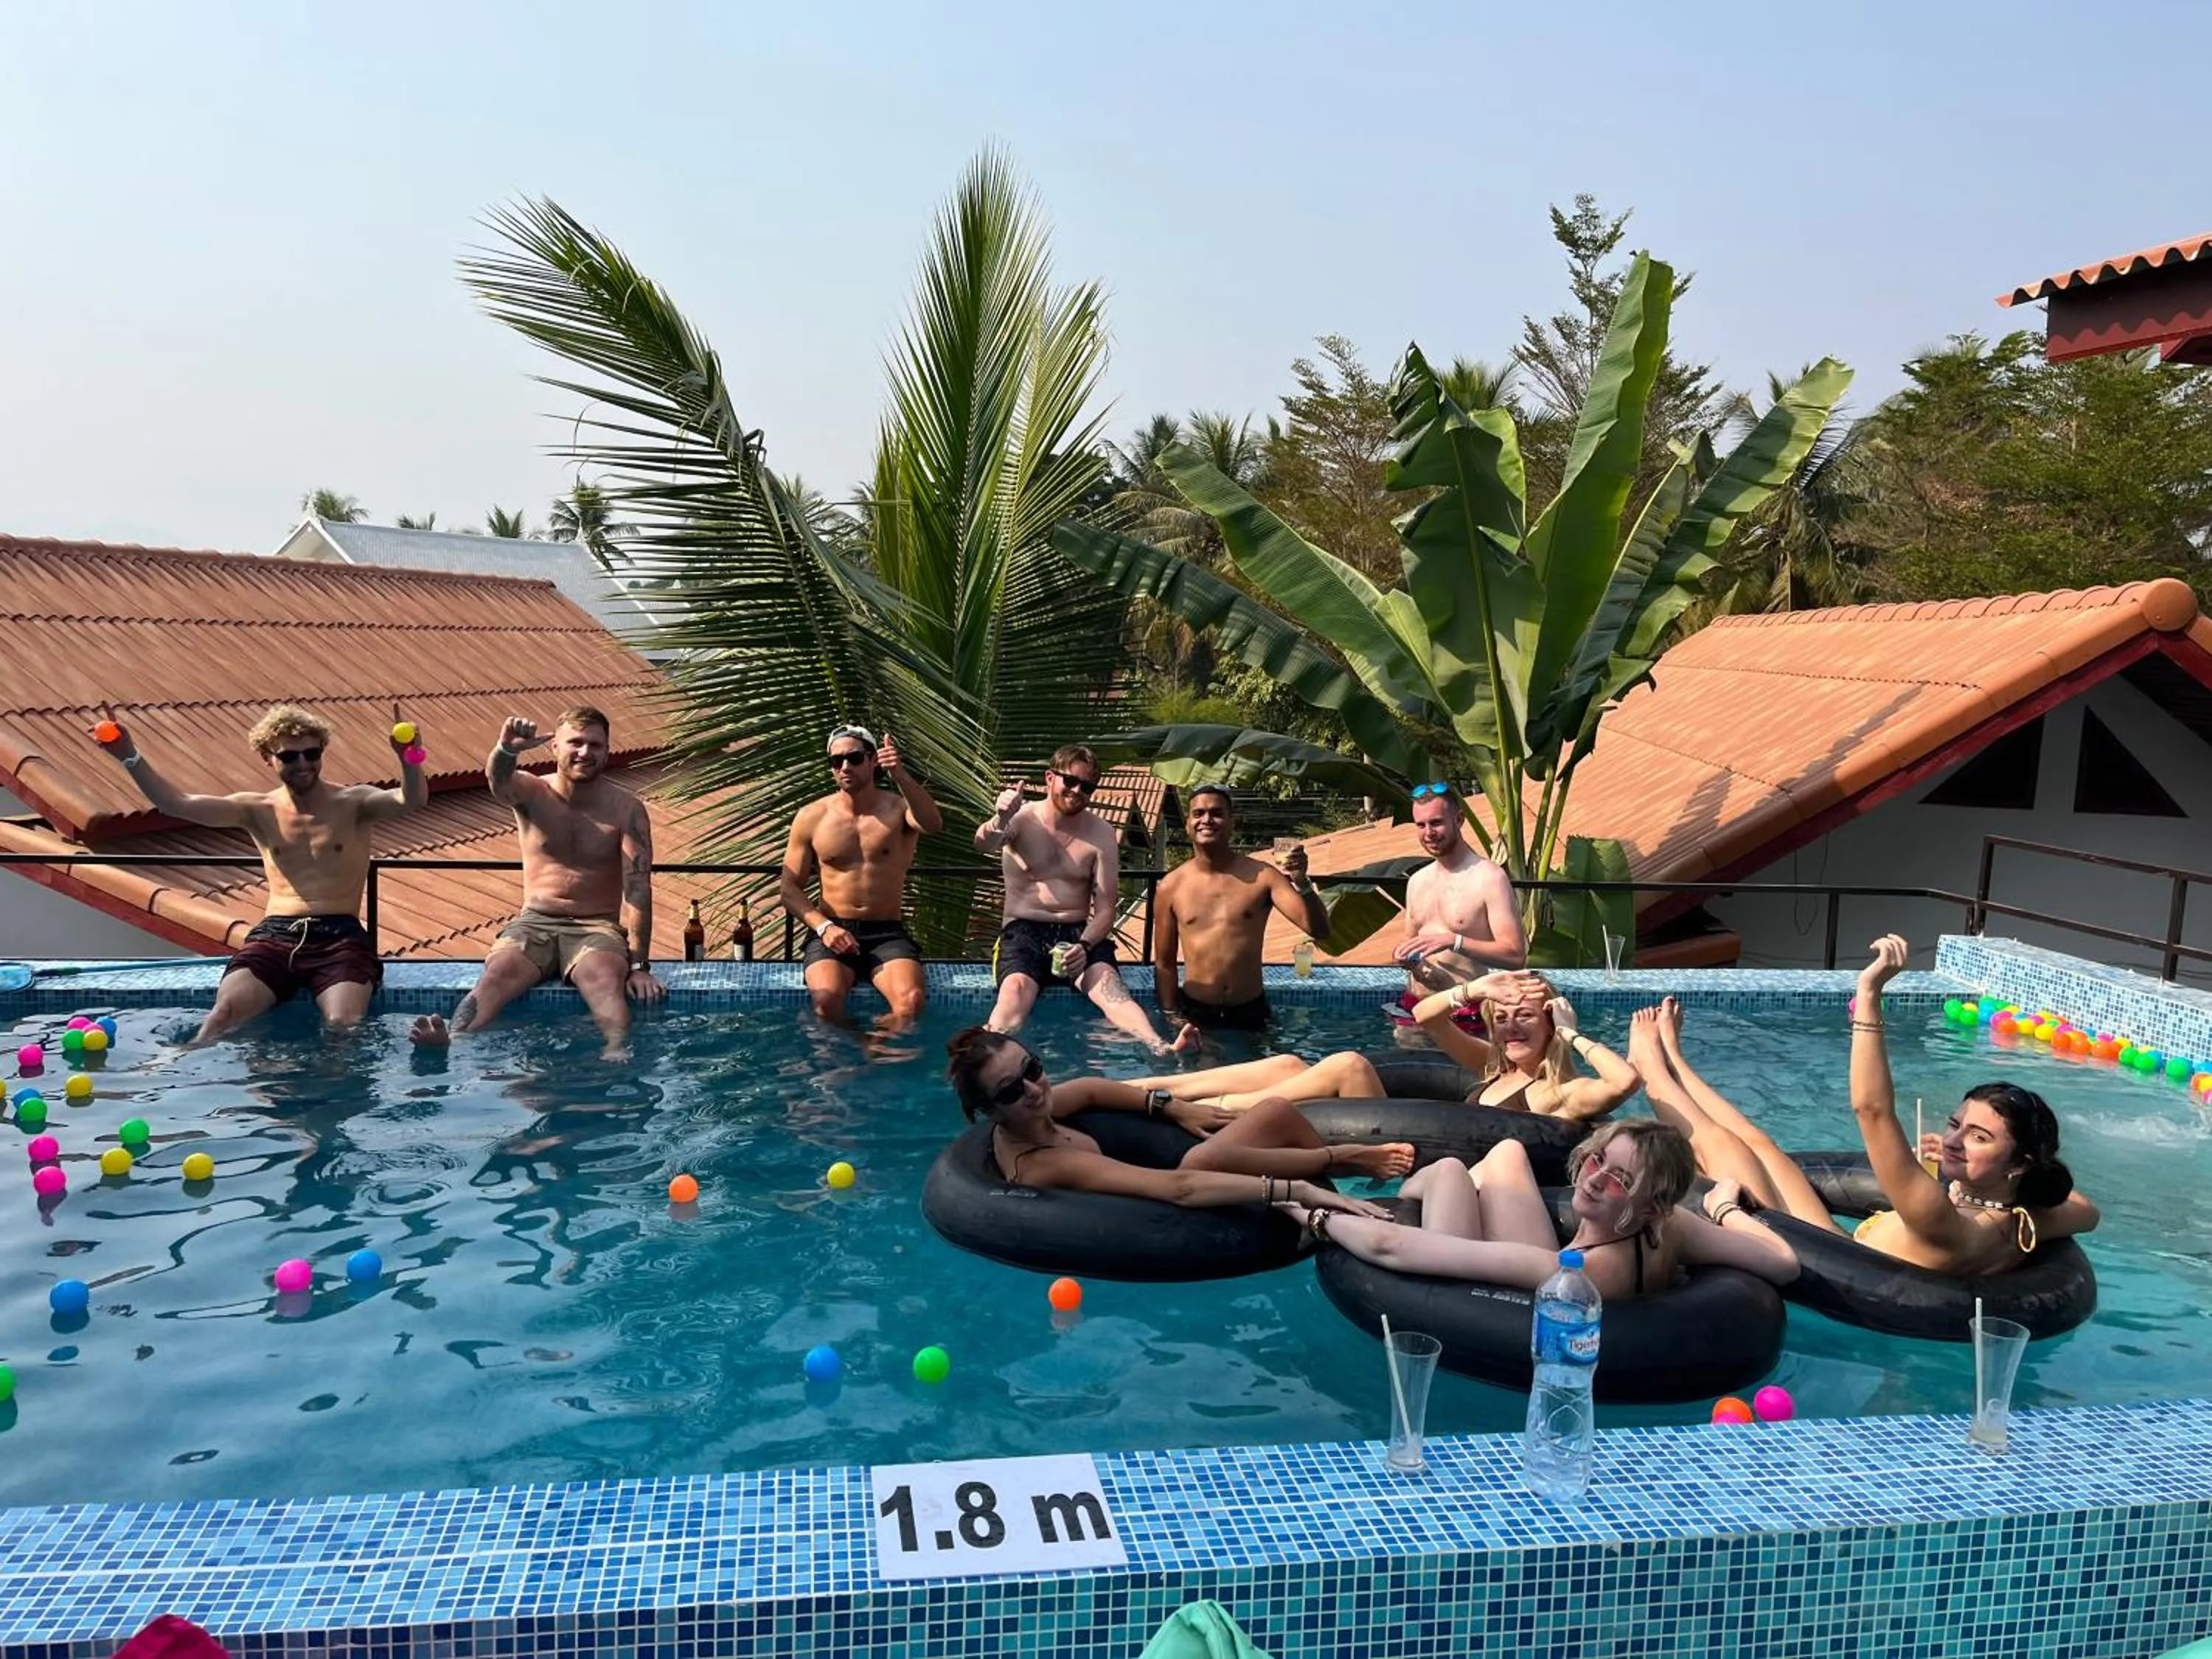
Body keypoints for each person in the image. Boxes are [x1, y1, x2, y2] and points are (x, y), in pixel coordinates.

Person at [1632, 938, 2100, 1276]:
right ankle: (1677, 1060)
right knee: (1760, 1142)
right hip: (1842, 1240)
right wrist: (1971, 1170)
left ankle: (1651, 1067)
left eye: (1979, 1137)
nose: (1954, 1140)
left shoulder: (1942, 1219)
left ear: (2020, 1162)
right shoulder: (2028, 1216)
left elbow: (1872, 1110)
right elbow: (2086, 1209)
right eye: (1957, 1126)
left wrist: (1870, 994)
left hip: (1828, 1257)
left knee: (1720, 1145)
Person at [90, 702, 426, 1043]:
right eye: (290, 757)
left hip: (341, 937)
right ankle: (170, 1071)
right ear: (268, 758)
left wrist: (409, 756)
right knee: (221, 1017)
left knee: (344, 1025)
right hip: (276, 936)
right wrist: (128, 755)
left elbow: (410, 801)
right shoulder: (257, 809)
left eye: (312, 753)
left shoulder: (355, 802)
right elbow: (176, 804)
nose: (304, 764)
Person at [1284, 1120, 1798, 1299]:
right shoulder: (1673, 1227)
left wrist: (1310, 1211)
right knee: (1507, 1152)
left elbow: (1387, 1243)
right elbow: (1784, 1264)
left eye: (1618, 1179)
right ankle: (1432, 1181)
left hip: (1486, 1295)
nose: (1593, 1178)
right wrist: (1726, 1205)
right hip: (1588, 1259)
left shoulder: (1567, 1273)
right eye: (1597, 1160)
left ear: (1651, 1203)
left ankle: (1420, 1184)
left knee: (1448, 1174)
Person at [944, 1026, 1413, 1216]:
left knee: (1279, 1088)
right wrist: (1300, 1188)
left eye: (1033, 1067)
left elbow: (1088, 1086)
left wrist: (1169, 1105)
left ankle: (1339, 1178)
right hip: (1177, 1185)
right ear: (990, 1111)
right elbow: (1178, 1189)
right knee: (1223, 1144)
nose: (1032, 1087)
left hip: (1177, 1149)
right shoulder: (1040, 1163)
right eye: (1011, 1089)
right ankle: (1338, 1168)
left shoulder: (1039, 1107)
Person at [410, 709, 666, 1057]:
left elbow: (638, 888)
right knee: (496, 975)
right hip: (534, 921)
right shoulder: (533, 791)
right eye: (575, 743)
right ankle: (453, 1039)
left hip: (596, 926)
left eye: (595, 745)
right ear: (555, 746)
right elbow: (498, 782)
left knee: (605, 979)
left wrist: (639, 967)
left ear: (607, 751)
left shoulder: (626, 809)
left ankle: (616, 1051)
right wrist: (506, 749)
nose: (585, 753)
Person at [1114, 971, 1638, 1120]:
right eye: (1501, 1020)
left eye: (1525, 1019)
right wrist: (1476, 990)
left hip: (1410, 1158)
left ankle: (1192, 1110)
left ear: (1548, 1022)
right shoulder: (1493, 1067)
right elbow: (1428, 1018)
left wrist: (1568, 1028)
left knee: (1344, 1065)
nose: (1511, 1029)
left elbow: (1625, 1081)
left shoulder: (1559, 1095)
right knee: (1293, 1062)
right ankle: (1148, 1084)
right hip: (1408, 1134)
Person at [975, 743, 1197, 1054]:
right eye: (1071, 781)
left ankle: (1161, 1048)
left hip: (1078, 934)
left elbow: (1106, 908)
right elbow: (983, 845)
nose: (1078, 790)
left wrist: (1085, 946)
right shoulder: (1020, 818)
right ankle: (986, 1054)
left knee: (1113, 991)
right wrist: (999, 818)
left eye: (1088, 786)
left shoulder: (1101, 833)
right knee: (1015, 990)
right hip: (1023, 931)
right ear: (1050, 778)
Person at [779, 724, 942, 1029]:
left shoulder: (898, 809)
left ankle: (872, 1052)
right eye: (836, 761)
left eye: (854, 758)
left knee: (911, 1002)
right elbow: (789, 888)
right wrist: (824, 927)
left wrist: (901, 776)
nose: (844, 767)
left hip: (886, 933)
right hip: (832, 931)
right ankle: (863, 1050)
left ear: (873, 760)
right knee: (826, 1002)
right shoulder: (812, 816)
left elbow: (932, 824)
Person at [1151, 785, 1329, 1032]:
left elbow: (1319, 929)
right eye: (1198, 813)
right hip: (1197, 1012)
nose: (1207, 820)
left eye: (1217, 813)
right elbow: (1164, 963)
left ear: (1231, 822)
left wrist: (1302, 882)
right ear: (1187, 823)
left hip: (1250, 1011)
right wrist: (1170, 1016)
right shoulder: (1171, 886)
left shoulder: (1264, 876)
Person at [1391, 785, 1526, 1014]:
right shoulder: (1416, 881)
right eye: (1421, 825)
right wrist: (1404, 958)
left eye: (1436, 823)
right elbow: (1412, 947)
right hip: (1415, 1007)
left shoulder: (1490, 879)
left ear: (1460, 819)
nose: (1428, 833)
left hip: (1465, 1013)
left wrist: (1455, 941)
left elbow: (1515, 956)